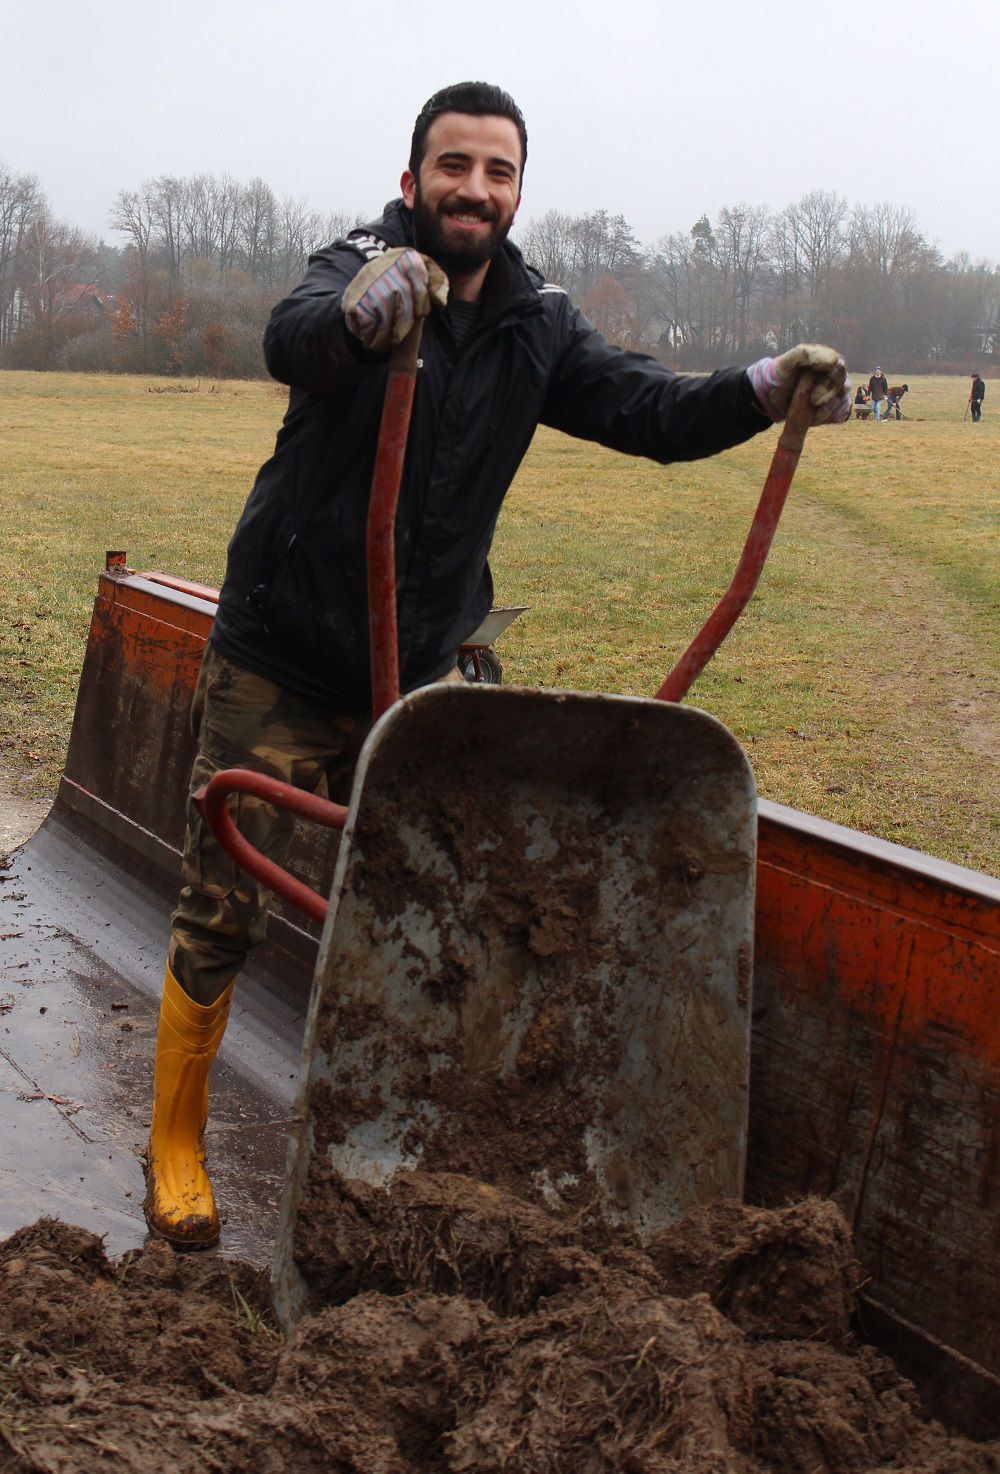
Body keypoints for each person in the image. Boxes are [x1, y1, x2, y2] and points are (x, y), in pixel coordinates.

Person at [143, 80, 853, 1249]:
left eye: (499, 171)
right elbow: (297, 334)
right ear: (415, 172)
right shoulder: (358, 263)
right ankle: (177, 1145)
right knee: (224, 902)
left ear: (520, 190)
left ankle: (418, 1151)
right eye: (455, 165)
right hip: (283, 650)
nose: (474, 189)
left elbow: (647, 408)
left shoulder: (537, 322)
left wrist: (761, 388)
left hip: (419, 674)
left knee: (434, 907)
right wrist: (365, 315)